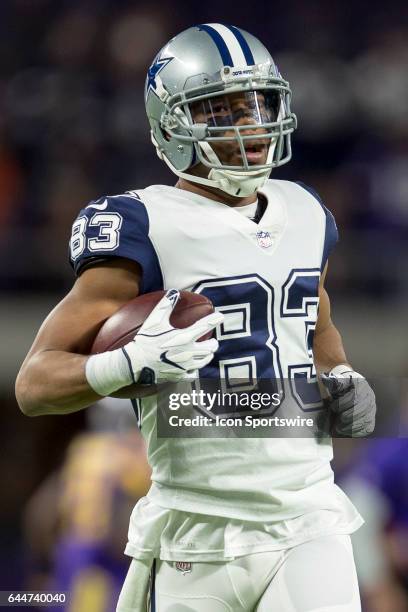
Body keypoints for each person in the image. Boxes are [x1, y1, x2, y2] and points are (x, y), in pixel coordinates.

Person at [16, 23, 376, 612]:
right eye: (224, 109)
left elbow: (314, 324)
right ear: (173, 124)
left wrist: (339, 377)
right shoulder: (142, 225)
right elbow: (33, 384)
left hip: (308, 517)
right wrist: (127, 363)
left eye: (258, 103)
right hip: (193, 526)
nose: (250, 124)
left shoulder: (307, 212)